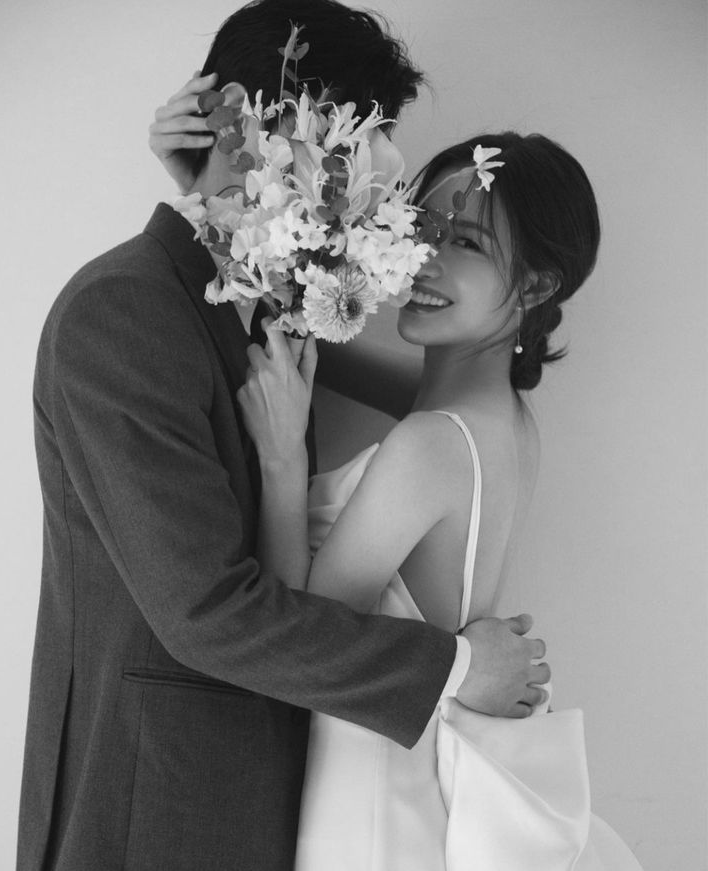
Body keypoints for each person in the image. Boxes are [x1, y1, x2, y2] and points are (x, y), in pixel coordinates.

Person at [18, 3, 548, 870]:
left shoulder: (253, 301)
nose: (357, 193)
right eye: (340, 151)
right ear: (247, 120)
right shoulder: (121, 313)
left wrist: (212, 183)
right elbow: (206, 612)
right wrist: (453, 670)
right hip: (156, 807)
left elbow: (330, 344)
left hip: (271, 792)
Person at [233, 133, 645, 868]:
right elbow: (393, 385)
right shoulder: (506, 421)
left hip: (360, 806)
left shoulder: (430, 445)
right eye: (421, 227)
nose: (426, 257)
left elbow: (300, 642)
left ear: (538, 286)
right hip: (407, 781)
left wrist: (281, 455)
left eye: (467, 243)